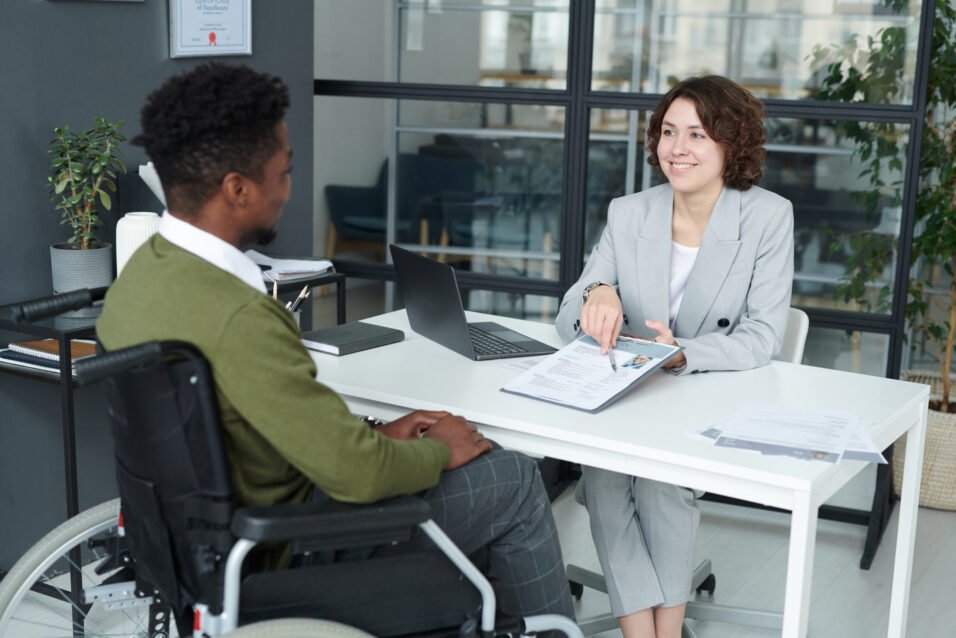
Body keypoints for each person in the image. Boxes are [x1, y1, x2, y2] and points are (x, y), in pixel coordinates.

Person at [97, 62, 573, 627]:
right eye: (283, 173)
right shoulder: (242, 316)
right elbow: (358, 476)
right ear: (237, 189)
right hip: (293, 548)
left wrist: (376, 434)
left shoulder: (138, 280)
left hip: (197, 544)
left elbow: (261, 425)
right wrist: (439, 451)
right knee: (513, 477)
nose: (289, 189)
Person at [555, 75, 794, 638]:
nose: (677, 148)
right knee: (605, 477)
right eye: (668, 132)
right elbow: (568, 315)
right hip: (630, 394)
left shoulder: (767, 216)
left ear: (732, 143)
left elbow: (763, 336)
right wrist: (597, 294)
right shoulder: (630, 213)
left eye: (697, 134)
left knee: (661, 482)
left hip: (705, 392)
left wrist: (682, 354)